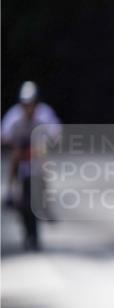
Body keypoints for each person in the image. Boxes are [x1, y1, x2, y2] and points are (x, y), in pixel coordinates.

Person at [1, 81, 62, 249]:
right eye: (25, 104)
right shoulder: (14, 116)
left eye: (31, 104)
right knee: (14, 156)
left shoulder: (44, 113)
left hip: (36, 154)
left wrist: (49, 140)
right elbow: (4, 134)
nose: (28, 108)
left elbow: (56, 132)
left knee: (42, 157)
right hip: (20, 155)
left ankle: (46, 199)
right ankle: (10, 191)